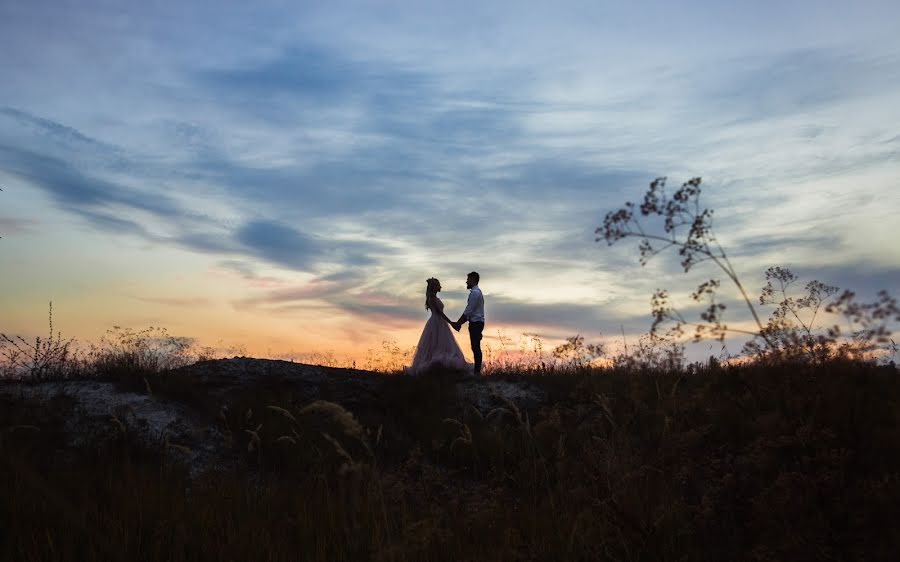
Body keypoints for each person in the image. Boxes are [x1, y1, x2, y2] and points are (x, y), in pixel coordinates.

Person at [407, 278, 469, 374]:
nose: (440, 287)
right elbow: (440, 313)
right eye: (438, 285)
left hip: (439, 322)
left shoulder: (434, 298)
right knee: (435, 345)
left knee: (441, 345)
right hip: (436, 322)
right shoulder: (432, 298)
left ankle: (441, 368)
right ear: (434, 287)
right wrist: (451, 323)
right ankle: (435, 366)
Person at [451, 271, 485, 375]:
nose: (466, 282)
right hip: (476, 322)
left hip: (476, 323)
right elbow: (469, 312)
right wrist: (460, 322)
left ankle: (477, 372)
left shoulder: (475, 293)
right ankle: (477, 371)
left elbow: (469, 311)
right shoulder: (476, 293)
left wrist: (458, 323)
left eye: (468, 279)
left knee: (475, 346)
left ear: (473, 280)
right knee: (475, 346)